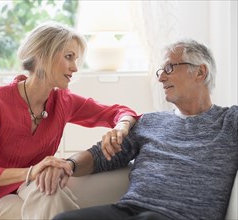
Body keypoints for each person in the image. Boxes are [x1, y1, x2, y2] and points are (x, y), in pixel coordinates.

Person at [0, 21, 139, 220]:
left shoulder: (64, 101)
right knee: (48, 200)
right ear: (43, 55)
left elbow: (120, 111)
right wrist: (31, 172)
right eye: (68, 57)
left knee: (50, 191)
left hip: (32, 185)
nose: (75, 67)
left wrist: (121, 128)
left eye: (76, 59)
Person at [53, 39, 238, 220]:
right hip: (129, 210)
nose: (161, 78)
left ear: (200, 72)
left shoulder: (230, 120)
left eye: (169, 68)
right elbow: (100, 155)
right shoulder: (150, 121)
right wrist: (68, 165)